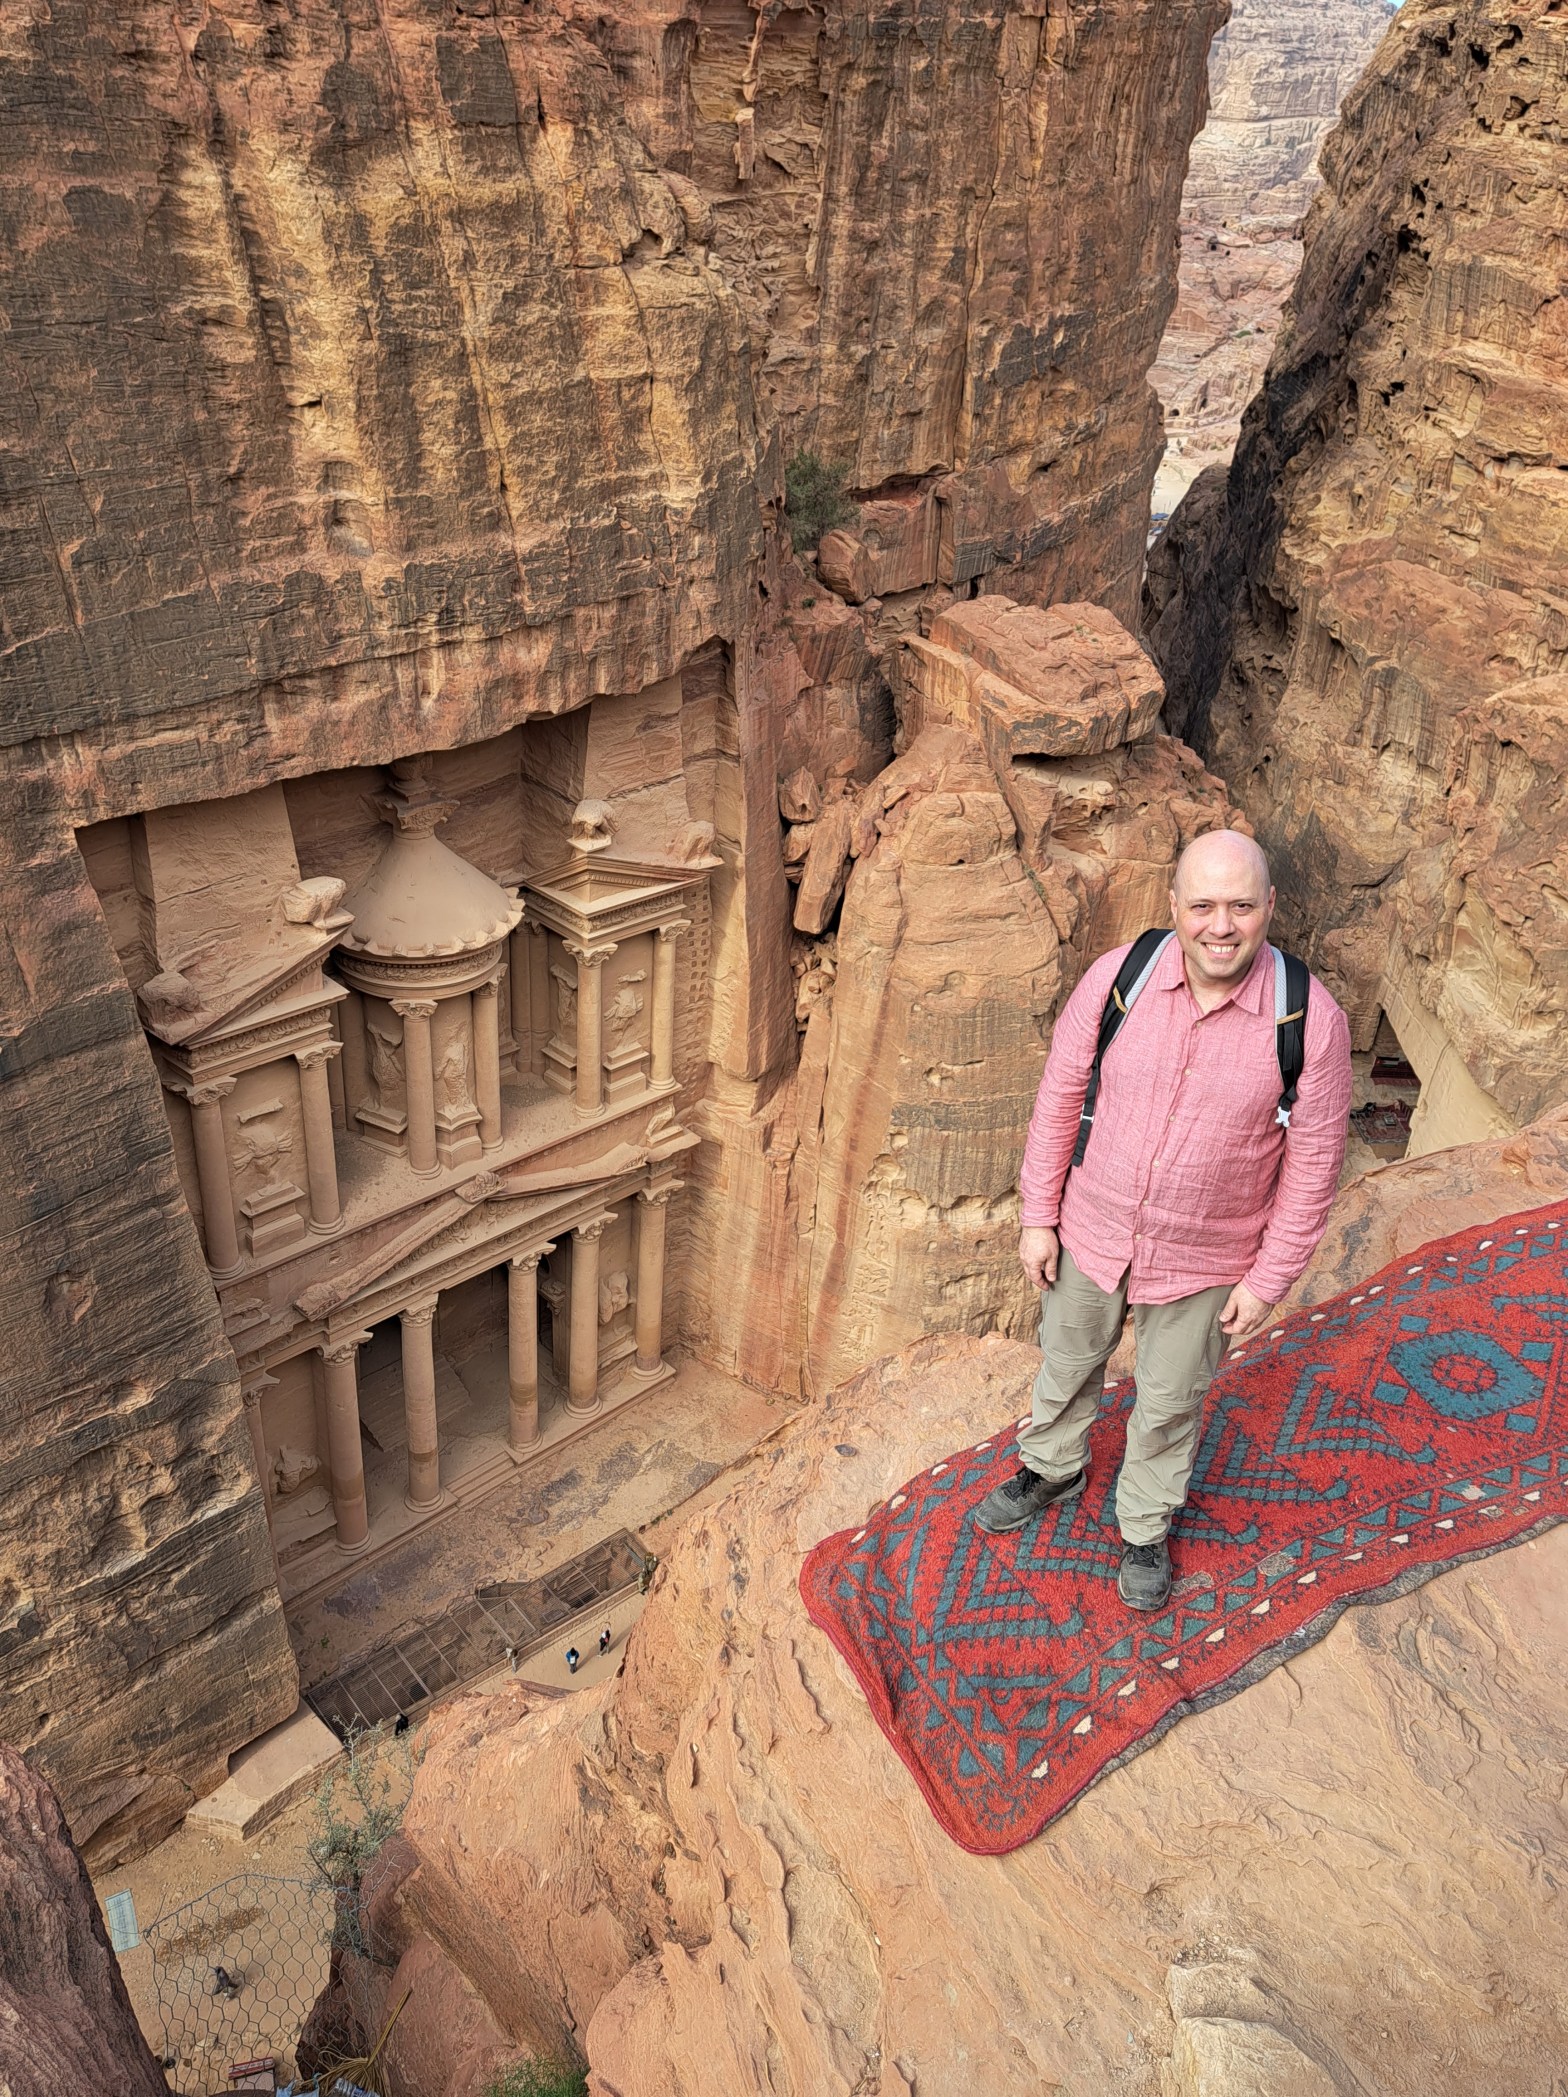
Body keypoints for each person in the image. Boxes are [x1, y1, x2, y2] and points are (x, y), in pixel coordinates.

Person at [975, 830, 1352, 1611]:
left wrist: (1267, 1279)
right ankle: (1051, 1464)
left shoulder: (1309, 1021)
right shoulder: (1122, 975)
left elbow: (1313, 1169)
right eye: (1204, 904)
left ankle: (1143, 1522)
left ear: (1270, 908)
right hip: (1093, 1228)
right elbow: (1059, 1095)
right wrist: (1039, 1214)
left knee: (1170, 1400)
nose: (1222, 925)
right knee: (1067, 1358)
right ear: (1174, 905)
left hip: (1206, 1260)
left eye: (1242, 905)